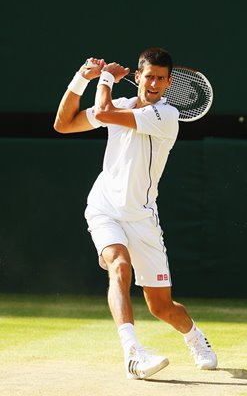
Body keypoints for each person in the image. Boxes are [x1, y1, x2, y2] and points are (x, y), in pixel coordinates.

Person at [54, 47, 217, 379]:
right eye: (149, 76)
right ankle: (133, 353)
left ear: (169, 83)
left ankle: (195, 337)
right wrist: (78, 80)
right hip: (104, 208)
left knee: (161, 307)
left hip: (142, 218)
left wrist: (104, 78)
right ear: (138, 77)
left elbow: (103, 110)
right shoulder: (124, 104)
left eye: (161, 78)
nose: (154, 83)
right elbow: (63, 124)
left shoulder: (166, 116)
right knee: (119, 266)